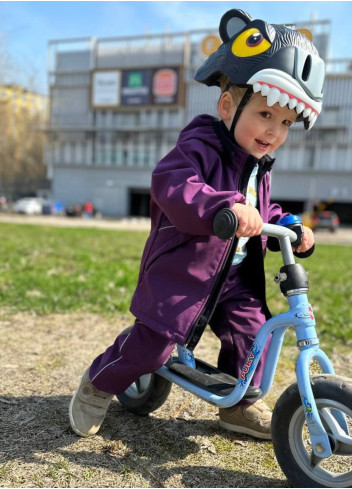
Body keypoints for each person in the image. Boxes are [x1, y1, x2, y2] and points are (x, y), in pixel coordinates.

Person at [69, 8, 325, 440]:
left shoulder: (258, 166)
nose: (275, 131)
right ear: (228, 105)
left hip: (237, 277)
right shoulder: (200, 143)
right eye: (265, 114)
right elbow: (174, 185)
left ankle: (239, 405)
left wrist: (289, 225)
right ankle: (99, 383)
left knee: (252, 338)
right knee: (154, 345)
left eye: (285, 123)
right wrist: (220, 206)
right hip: (183, 271)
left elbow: (260, 209)